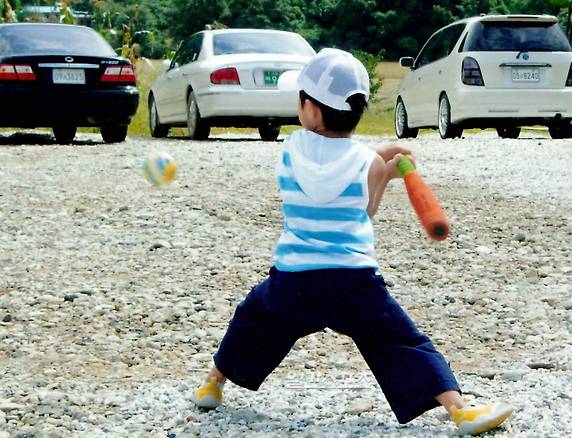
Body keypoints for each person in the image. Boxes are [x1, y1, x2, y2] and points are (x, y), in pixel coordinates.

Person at [192, 48, 513, 435]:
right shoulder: (367, 163)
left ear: (310, 110)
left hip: (294, 280)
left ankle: (213, 384)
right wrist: (387, 171)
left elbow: (324, 164)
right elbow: (366, 210)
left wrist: (379, 163)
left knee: (252, 322)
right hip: (353, 283)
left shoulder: (291, 150)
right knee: (400, 341)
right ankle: (459, 410)